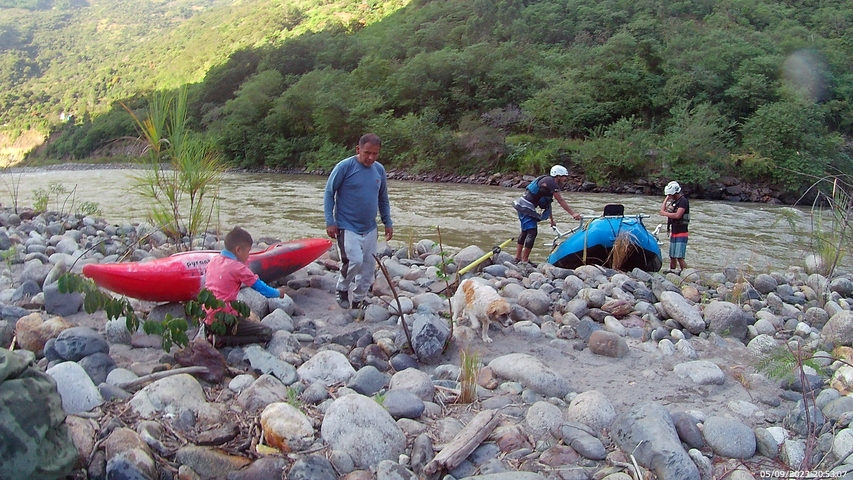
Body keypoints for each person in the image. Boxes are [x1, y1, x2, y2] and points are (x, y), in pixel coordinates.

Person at [324, 133, 394, 310]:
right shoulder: (345, 167)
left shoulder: (379, 170)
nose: (371, 157)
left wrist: (388, 222)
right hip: (347, 226)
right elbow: (329, 193)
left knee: (368, 268)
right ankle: (342, 288)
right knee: (354, 261)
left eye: (375, 154)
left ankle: (358, 298)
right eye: (367, 153)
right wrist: (330, 221)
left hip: (370, 226)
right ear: (358, 149)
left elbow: (383, 198)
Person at [203, 226, 280, 347]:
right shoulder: (238, 268)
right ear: (238, 250)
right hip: (224, 320)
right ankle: (222, 340)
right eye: (248, 252)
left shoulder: (213, 261)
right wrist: (278, 293)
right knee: (266, 333)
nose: (248, 256)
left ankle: (211, 332)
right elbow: (261, 288)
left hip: (207, 317)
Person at [512, 164, 582, 265]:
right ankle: (524, 260)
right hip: (526, 206)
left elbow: (548, 204)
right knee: (532, 232)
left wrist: (551, 220)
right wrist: (573, 213)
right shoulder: (551, 183)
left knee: (525, 232)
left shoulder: (547, 182)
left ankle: (518, 258)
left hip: (522, 205)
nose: (565, 179)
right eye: (564, 176)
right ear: (558, 176)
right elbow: (560, 200)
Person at [659, 180, 690, 271]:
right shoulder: (674, 202)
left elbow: (677, 215)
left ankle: (685, 273)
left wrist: (664, 214)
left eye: (670, 195)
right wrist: (666, 199)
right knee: (672, 256)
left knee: (679, 256)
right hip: (674, 231)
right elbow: (662, 210)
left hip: (682, 232)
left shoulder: (683, 201)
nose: (669, 196)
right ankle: (671, 271)